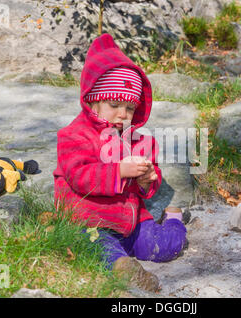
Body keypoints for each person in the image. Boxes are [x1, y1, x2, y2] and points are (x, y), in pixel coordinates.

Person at [53, 33, 187, 292]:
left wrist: (148, 179)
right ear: (93, 99)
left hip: (132, 224)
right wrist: (120, 171)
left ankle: (174, 220)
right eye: (114, 104)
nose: (122, 114)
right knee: (97, 250)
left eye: (129, 109)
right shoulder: (74, 136)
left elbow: (148, 183)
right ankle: (125, 271)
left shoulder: (136, 140)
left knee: (165, 249)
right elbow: (80, 176)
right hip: (90, 223)